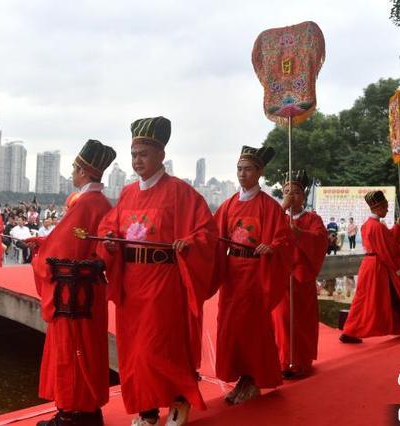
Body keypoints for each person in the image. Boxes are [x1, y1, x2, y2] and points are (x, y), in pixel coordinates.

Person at [98, 117, 217, 426]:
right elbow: (110, 226)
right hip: (132, 284)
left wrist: (189, 243)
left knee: (161, 346)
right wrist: (109, 242)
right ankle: (147, 408)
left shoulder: (180, 192)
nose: (138, 160)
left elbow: (207, 232)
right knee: (135, 351)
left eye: (144, 154)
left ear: (161, 155)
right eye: (134, 154)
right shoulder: (127, 193)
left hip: (164, 283)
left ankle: (178, 400)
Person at [30, 140, 116, 426]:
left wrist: (41, 251)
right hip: (89, 292)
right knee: (88, 351)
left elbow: (60, 252)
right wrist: (44, 242)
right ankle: (87, 411)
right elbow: (75, 245)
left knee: (71, 351)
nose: (71, 173)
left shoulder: (85, 204)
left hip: (73, 295)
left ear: (83, 171)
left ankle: (71, 415)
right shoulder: (101, 203)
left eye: (74, 168)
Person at [214, 145, 292, 404]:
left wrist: (272, 247)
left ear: (259, 172)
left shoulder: (269, 207)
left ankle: (253, 379)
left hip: (255, 275)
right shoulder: (227, 205)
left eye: (248, 169)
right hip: (232, 276)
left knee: (252, 328)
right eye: (239, 169)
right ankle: (242, 379)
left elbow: (283, 238)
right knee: (231, 327)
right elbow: (213, 238)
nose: (242, 174)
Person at [340, 190, 400, 343]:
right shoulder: (378, 227)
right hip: (379, 267)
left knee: (361, 300)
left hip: (369, 266)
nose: (387, 210)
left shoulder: (367, 225)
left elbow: (387, 240)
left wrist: (398, 227)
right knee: (397, 297)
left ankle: (349, 332)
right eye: (385, 207)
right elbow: (389, 247)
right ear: (378, 208)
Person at [272, 171, 327, 379]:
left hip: (301, 277)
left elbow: (320, 240)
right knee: (281, 320)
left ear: (303, 196)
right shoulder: (278, 218)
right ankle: (283, 360)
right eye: (286, 192)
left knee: (301, 321)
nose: (290, 196)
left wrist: (300, 235)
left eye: (295, 192)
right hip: (281, 276)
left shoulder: (312, 219)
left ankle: (300, 361)